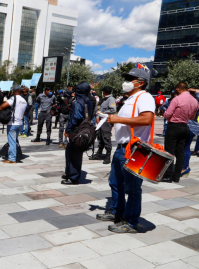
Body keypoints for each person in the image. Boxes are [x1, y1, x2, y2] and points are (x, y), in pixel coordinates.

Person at [96, 68, 155, 234]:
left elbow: (147, 119)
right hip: (122, 148)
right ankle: (117, 212)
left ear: (141, 82)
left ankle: (131, 222)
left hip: (134, 149)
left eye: (131, 78)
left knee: (133, 188)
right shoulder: (130, 98)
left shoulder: (145, 97)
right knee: (115, 183)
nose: (127, 81)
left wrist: (119, 119)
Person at [162, 82, 199, 183]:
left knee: (169, 152)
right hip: (185, 127)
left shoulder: (177, 99)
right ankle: (176, 176)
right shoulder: (194, 101)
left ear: (178, 89)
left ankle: (168, 176)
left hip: (174, 126)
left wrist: (164, 112)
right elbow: (192, 117)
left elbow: (168, 114)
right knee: (180, 152)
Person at [62, 82, 93, 185]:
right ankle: (69, 172)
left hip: (76, 130)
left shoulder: (78, 102)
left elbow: (76, 117)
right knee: (72, 152)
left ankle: (73, 177)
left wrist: (67, 129)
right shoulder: (88, 100)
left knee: (73, 153)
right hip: (84, 129)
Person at [0, 86, 27, 164]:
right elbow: (24, 113)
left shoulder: (14, 98)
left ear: (16, 91)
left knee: (12, 141)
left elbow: (4, 105)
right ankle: (16, 156)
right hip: (20, 123)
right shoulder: (24, 100)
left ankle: (12, 159)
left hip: (13, 123)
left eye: (13, 90)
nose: (12, 92)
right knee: (15, 140)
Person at [89, 86, 116, 164]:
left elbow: (113, 110)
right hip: (101, 122)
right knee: (100, 137)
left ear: (104, 92)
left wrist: (102, 114)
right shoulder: (104, 99)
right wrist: (98, 116)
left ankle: (108, 155)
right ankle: (99, 153)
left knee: (106, 137)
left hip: (107, 121)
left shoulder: (111, 99)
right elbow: (100, 109)